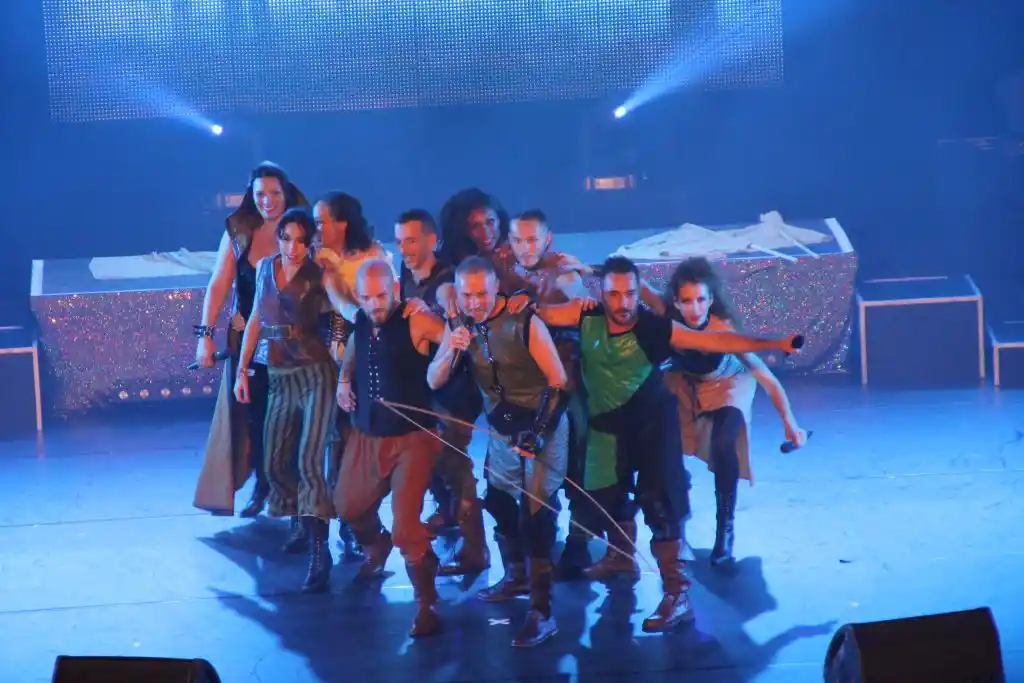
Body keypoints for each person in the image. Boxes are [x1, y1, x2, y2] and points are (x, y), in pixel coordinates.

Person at [535, 256, 803, 632]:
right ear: (602, 293)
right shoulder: (589, 314)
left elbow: (718, 341)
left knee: (664, 499)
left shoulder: (656, 326)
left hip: (670, 414)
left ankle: (681, 590)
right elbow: (540, 313)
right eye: (614, 294)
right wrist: (510, 302)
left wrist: (774, 343)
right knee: (609, 493)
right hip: (620, 417)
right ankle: (621, 556)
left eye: (630, 294)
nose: (623, 302)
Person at [427, 256, 569, 648]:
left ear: (495, 289)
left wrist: (536, 434)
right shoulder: (460, 325)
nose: (475, 303)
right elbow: (433, 379)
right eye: (467, 295)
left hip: (542, 423)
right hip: (502, 428)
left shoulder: (524, 320)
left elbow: (558, 380)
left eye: (482, 294)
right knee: (500, 501)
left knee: (537, 513)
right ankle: (516, 576)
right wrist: (450, 350)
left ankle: (542, 611)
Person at [646, 257, 807, 568]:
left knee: (723, 444)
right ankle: (677, 501)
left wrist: (790, 423)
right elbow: (638, 286)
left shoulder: (722, 329)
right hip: (689, 382)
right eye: (687, 301)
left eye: (701, 300)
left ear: (711, 299)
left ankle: (725, 528)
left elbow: (765, 377)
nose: (695, 309)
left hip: (730, 383)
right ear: (676, 302)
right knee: (663, 437)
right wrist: (588, 269)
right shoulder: (667, 315)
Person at [334, 260, 448, 638]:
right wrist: (344, 379)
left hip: (413, 438)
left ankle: (427, 604)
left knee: (407, 527)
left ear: (395, 288)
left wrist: (435, 312)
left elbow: (453, 338)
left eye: (381, 296)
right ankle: (376, 546)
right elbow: (354, 346)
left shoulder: (415, 319)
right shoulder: (362, 319)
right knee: (348, 506)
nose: (374, 304)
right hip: (367, 435)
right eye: (366, 298)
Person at [192, 162, 308, 524]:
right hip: (251, 343)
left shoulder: (304, 229)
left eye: (274, 193)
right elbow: (218, 284)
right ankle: (263, 485)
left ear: (286, 193)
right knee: (256, 418)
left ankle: (300, 495)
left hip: (300, 345)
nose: (267, 201)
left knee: (299, 420)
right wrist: (205, 337)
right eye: (260, 194)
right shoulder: (239, 230)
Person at [235, 207, 338, 593]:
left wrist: (341, 346)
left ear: (310, 242)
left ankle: (319, 550)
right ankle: (301, 517)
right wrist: (242, 369)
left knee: (310, 461)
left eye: (300, 240)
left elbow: (342, 312)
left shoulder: (319, 273)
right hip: (278, 373)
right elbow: (255, 320)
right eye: (286, 238)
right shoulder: (265, 269)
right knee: (275, 461)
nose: (292, 247)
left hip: (315, 372)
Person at [394, 209, 489, 576]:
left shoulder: (446, 284)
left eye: (411, 240)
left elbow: (455, 326)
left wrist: (431, 315)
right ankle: (449, 514)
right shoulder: (406, 275)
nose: (404, 248)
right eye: (400, 241)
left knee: (454, 463)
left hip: (454, 390)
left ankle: (476, 549)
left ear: (432, 241)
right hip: (425, 387)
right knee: (433, 457)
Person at [500, 209, 594, 579]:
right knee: (531, 467)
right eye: (518, 240)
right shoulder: (505, 270)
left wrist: (535, 307)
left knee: (578, 461)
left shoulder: (563, 271)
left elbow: (577, 304)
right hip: (526, 384)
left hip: (567, 380)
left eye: (532, 239)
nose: (525, 247)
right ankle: (538, 541)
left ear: (547, 239)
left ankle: (579, 541)